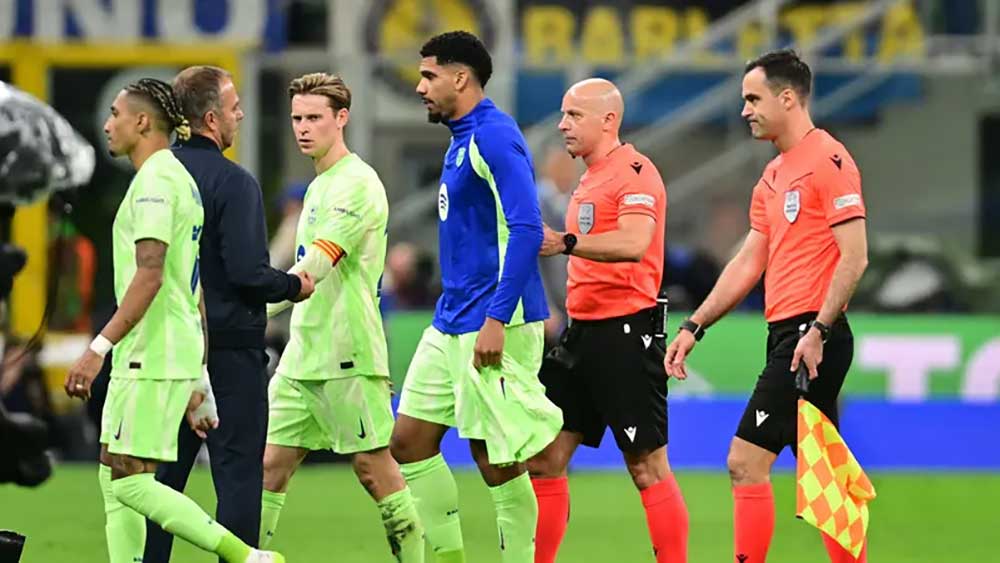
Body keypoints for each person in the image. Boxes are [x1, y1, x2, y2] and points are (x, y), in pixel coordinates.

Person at [63, 77, 284, 563]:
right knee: (113, 471)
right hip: (168, 351)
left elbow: (152, 274)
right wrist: (199, 374)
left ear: (142, 121)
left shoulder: (156, 184)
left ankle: (245, 556)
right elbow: (192, 285)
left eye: (116, 114)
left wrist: (97, 349)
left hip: (150, 354)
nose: (108, 124)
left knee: (131, 482)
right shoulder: (176, 178)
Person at [663, 49, 869, 563]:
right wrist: (695, 324)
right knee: (824, 477)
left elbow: (855, 256)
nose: (745, 111)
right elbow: (748, 261)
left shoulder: (829, 160)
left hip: (811, 337)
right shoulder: (774, 176)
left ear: (788, 98)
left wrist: (819, 330)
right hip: (790, 334)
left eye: (754, 99)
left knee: (745, 461)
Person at [389, 31, 563, 563]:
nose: (420, 87)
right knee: (408, 442)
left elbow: (528, 229)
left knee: (496, 459)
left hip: (495, 319)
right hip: (452, 319)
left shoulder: (494, 135)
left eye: (429, 76)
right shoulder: (461, 138)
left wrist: (495, 318)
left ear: (460, 77)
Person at [143, 65, 315, 563]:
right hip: (229, 352)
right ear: (212, 119)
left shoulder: (156, 177)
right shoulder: (235, 183)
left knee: (159, 482)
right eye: (235, 107)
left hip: (166, 350)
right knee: (237, 476)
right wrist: (293, 285)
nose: (241, 114)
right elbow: (246, 272)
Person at [257, 72, 424, 561]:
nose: (303, 128)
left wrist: (252, 308)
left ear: (342, 118)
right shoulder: (319, 185)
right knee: (268, 467)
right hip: (303, 352)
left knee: (374, 469)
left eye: (314, 117)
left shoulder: (357, 184)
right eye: (297, 118)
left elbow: (316, 266)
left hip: (347, 352)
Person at [527, 79, 689, 563]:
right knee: (545, 458)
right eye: (563, 114)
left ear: (609, 120)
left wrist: (566, 243)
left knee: (647, 466)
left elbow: (635, 241)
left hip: (626, 332)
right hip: (581, 333)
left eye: (574, 115)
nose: (563, 125)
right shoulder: (589, 178)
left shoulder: (635, 172)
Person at [534, 146, 579, 346]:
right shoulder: (536, 204)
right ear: (548, 169)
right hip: (547, 310)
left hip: (571, 305)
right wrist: (543, 307)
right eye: (560, 166)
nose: (566, 173)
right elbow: (531, 262)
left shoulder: (574, 201)